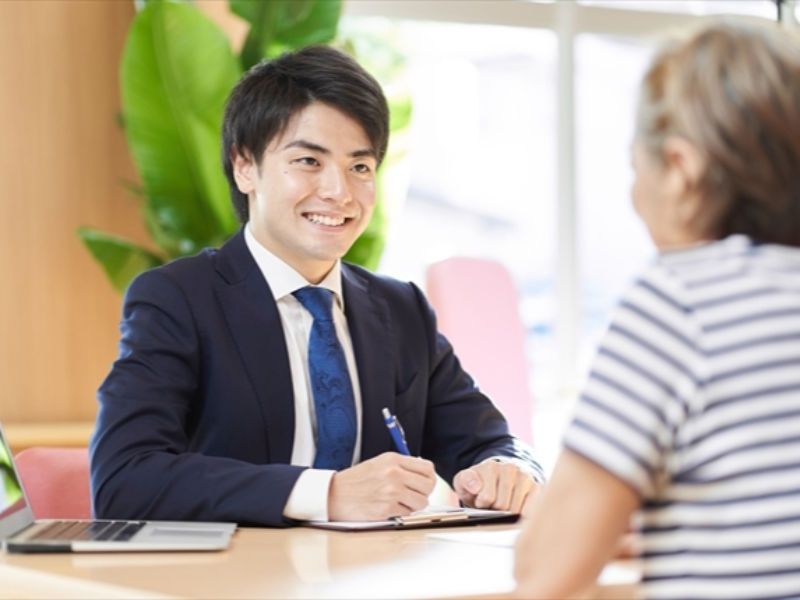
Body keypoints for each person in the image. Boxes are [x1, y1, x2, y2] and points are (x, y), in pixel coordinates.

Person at [90, 45, 543, 527]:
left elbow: (488, 441)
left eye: (360, 167)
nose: (339, 192)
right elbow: (125, 478)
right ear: (245, 166)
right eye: (308, 160)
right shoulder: (178, 299)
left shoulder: (401, 307)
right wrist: (325, 493)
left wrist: (508, 469)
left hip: (374, 579)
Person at [513, 20, 800, 599]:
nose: (633, 193)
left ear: (681, 169)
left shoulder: (682, 298)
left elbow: (546, 571)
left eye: (634, 167)